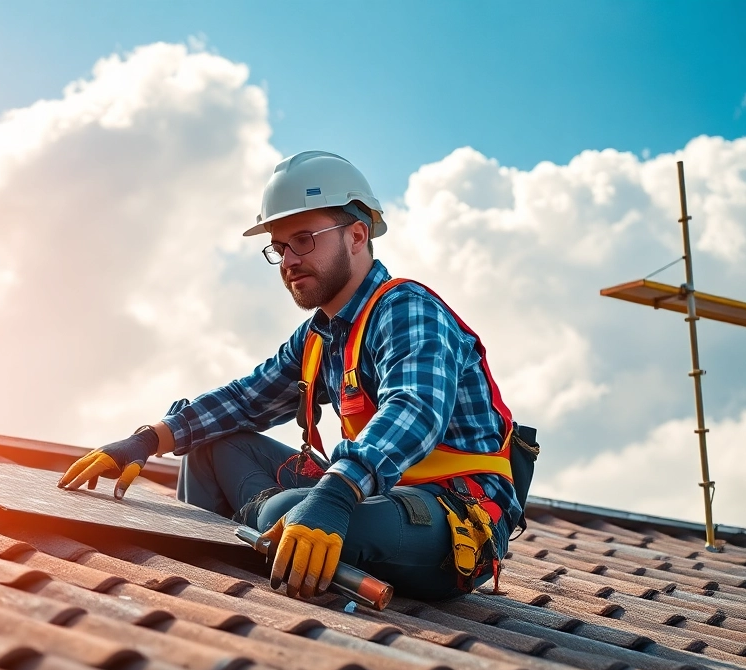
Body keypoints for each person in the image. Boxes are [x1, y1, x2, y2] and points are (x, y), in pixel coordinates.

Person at [59, 151, 521, 601]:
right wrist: (147, 440)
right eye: (279, 247)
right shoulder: (319, 337)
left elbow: (416, 410)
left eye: (303, 239)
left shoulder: (407, 309)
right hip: (376, 496)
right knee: (208, 444)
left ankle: (263, 537)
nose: (288, 261)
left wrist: (334, 496)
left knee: (288, 510)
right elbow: (244, 401)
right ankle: (219, 581)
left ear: (357, 235)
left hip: (455, 518)